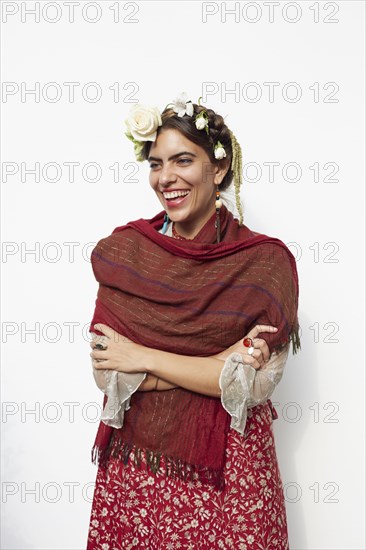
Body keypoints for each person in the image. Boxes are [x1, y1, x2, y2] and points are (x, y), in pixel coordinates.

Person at [86, 93, 300, 550]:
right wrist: (217, 360)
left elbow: (251, 385)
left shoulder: (263, 265)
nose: (166, 178)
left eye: (183, 160)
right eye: (156, 163)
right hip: (141, 474)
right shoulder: (126, 255)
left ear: (218, 169)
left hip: (232, 475)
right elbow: (109, 375)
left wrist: (143, 357)